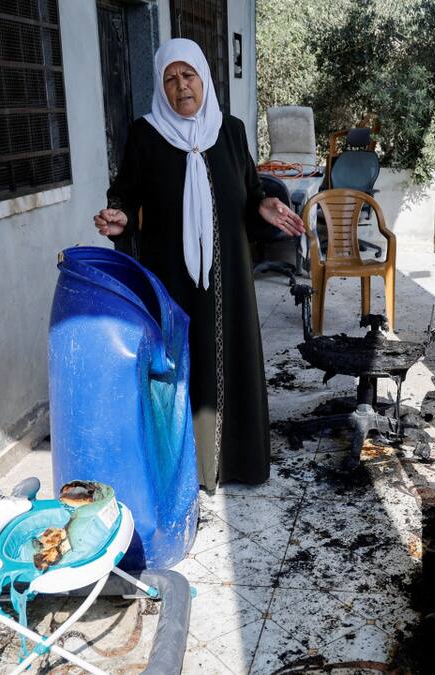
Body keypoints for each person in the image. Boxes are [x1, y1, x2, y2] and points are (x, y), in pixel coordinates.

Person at [93, 39, 304, 492]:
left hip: (227, 276)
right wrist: (119, 215)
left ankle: (237, 464)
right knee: (179, 363)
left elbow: (248, 195)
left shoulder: (230, 131)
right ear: (161, 86)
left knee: (230, 359)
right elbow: (126, 193)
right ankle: (184, 471)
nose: (180, 86)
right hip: (171, 275)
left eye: (188, 76)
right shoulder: (146, 134)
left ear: (204, 78)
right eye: (170, 78)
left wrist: (264, 205)